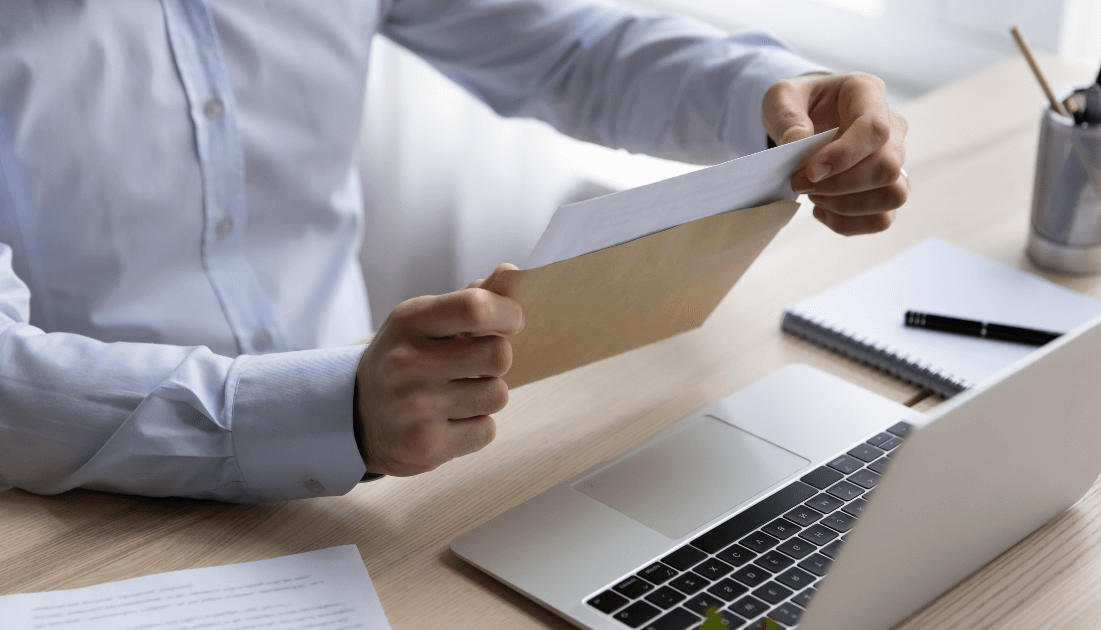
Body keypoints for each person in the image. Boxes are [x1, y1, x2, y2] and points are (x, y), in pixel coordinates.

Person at [0, 0, 908, 502]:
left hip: (376, 479)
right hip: (90, 501)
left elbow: (567, 49)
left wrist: (778, 98)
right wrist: (335, 410)